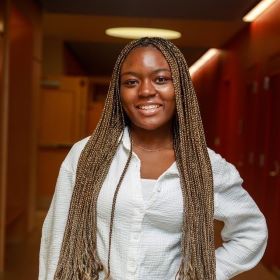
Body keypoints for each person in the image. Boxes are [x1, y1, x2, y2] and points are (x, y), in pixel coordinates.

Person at [39, 37, 268, 280]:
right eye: (131, 82)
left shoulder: (206, 167)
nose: (146, 91)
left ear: (180, 87)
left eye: (161, 79)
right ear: (119, 93)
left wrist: (204, 274)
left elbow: (251, 232)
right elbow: (57, 236)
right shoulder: (86, 155)